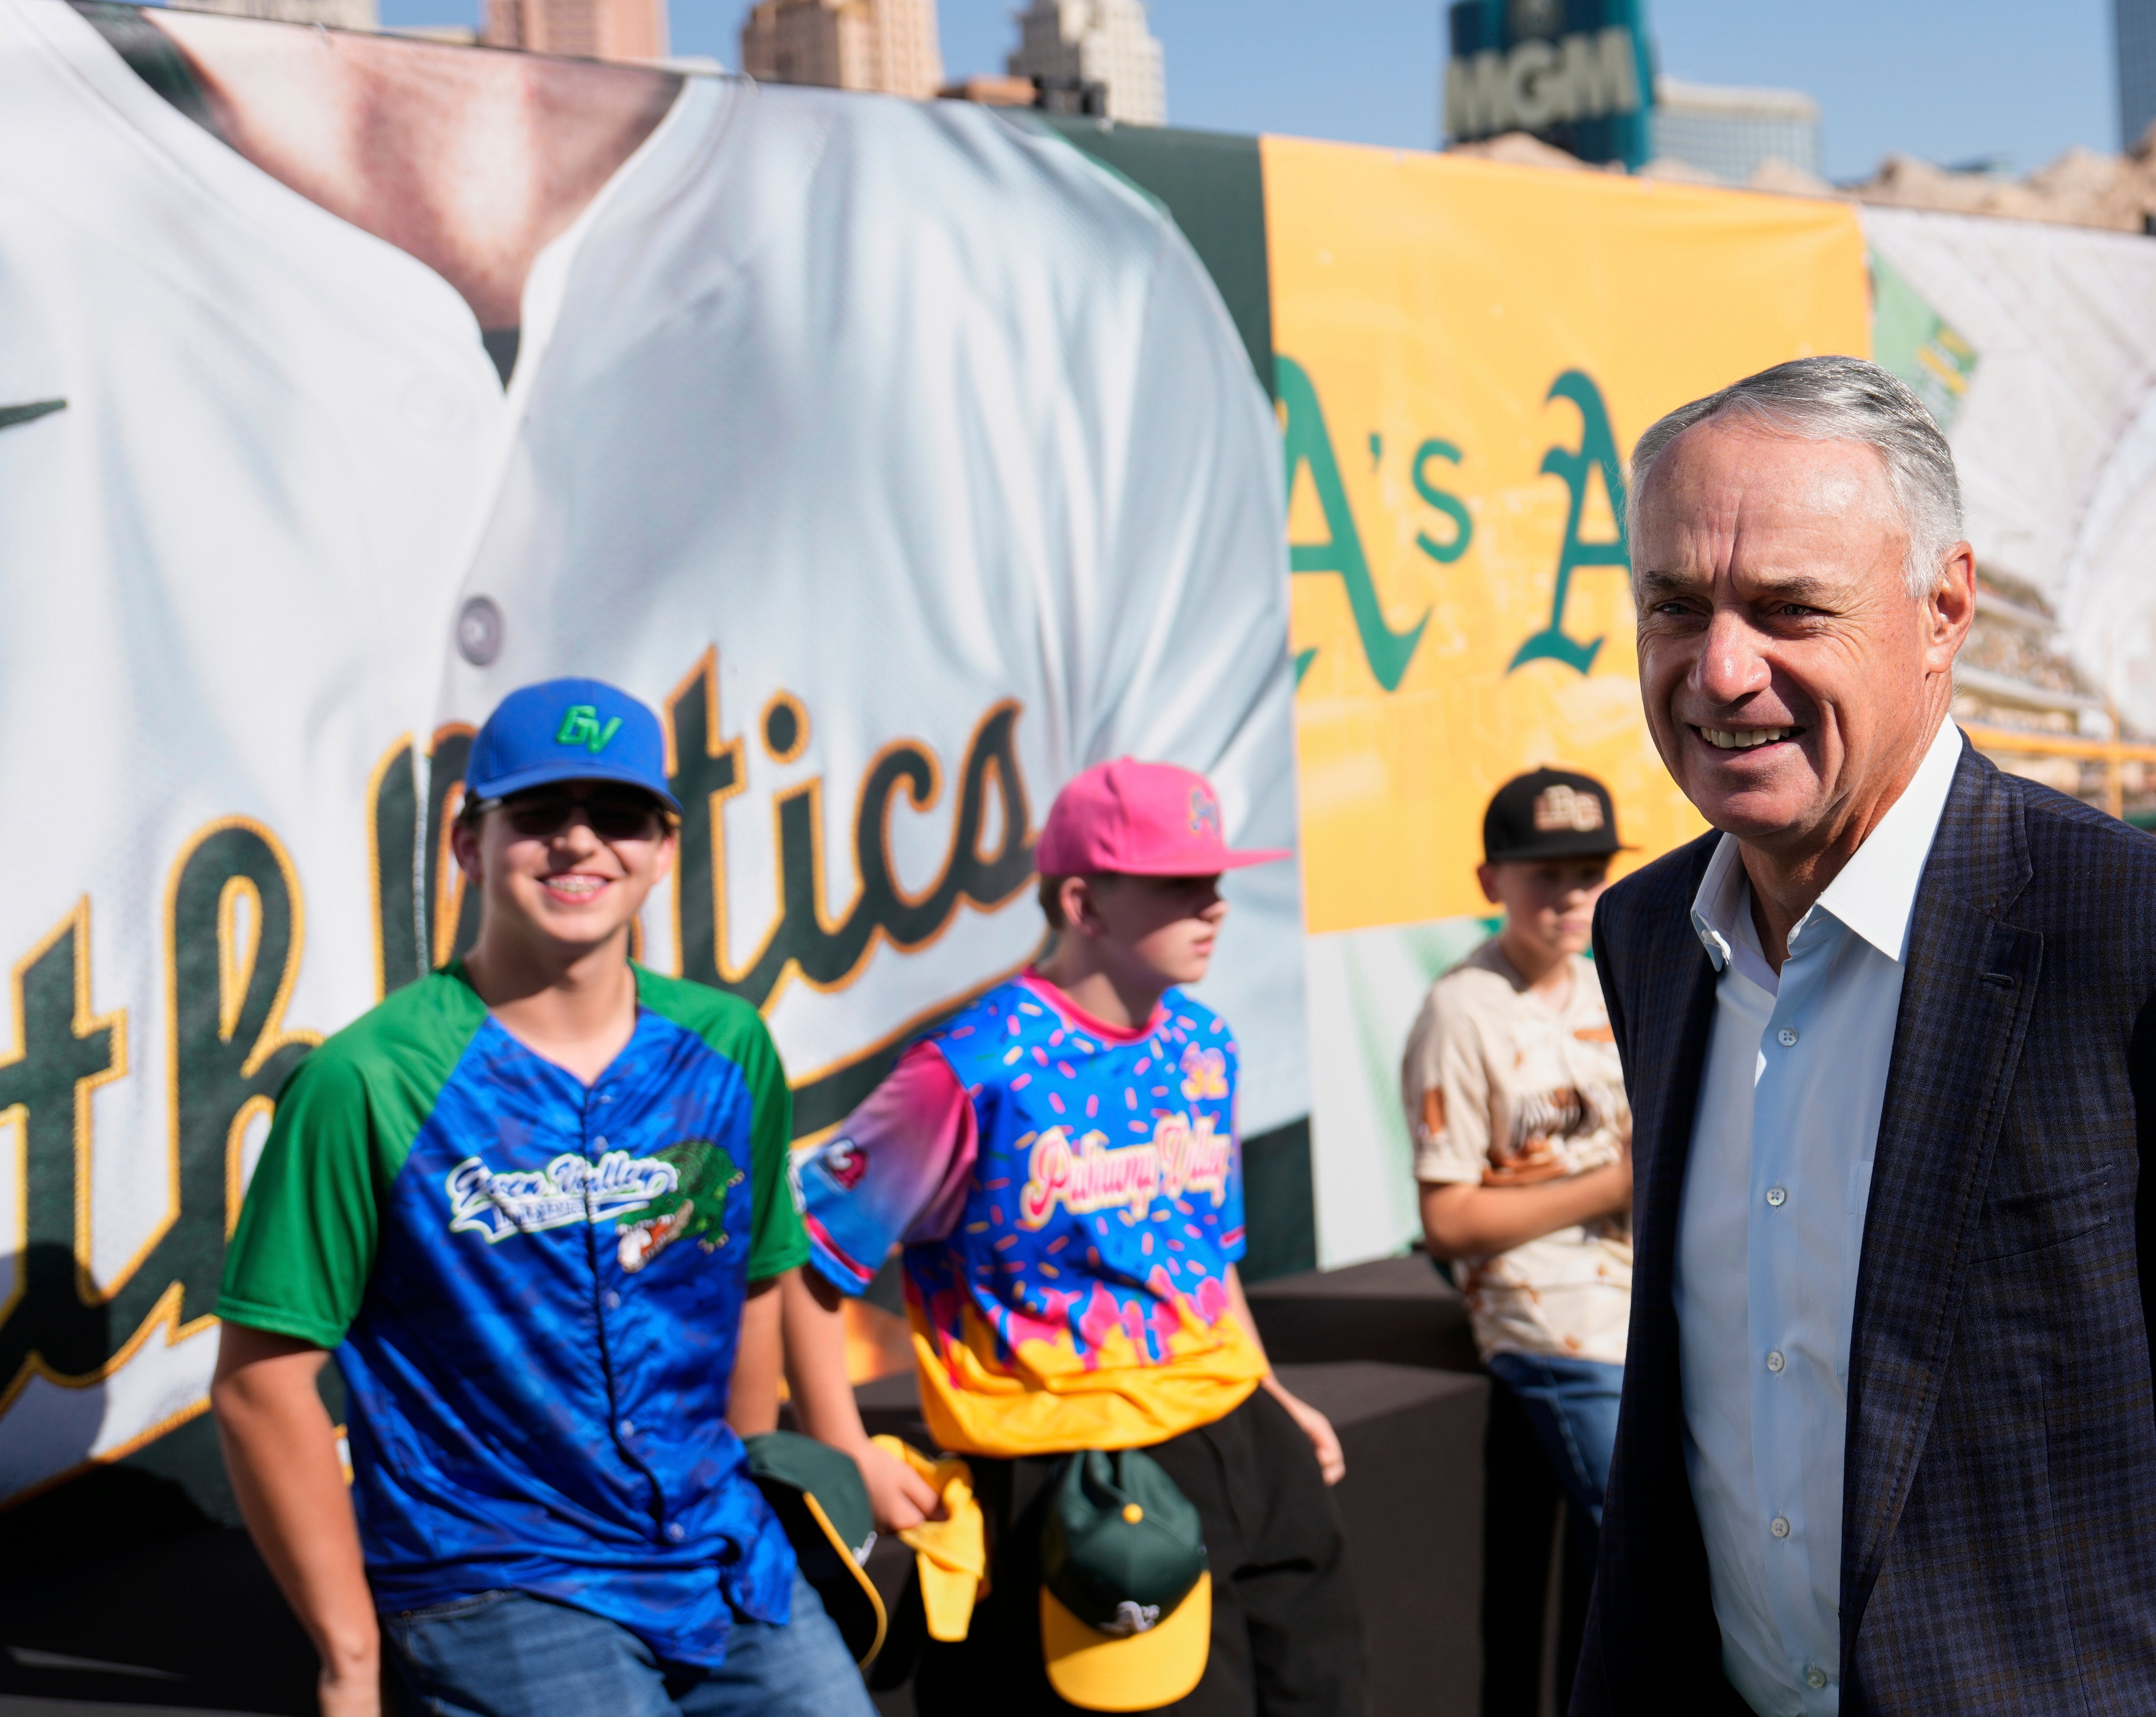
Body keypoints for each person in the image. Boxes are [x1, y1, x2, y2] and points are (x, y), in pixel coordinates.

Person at [1573, 356, 2156, 1717]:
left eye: (1787, 609)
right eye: (1675, 606)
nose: (1719, 669)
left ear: (1941, 609)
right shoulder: (1647, 936)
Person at [212, 678, 874, 1717]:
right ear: (468, 843)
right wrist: (350, 1661)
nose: (578, 843)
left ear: (662, 848)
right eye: (538, 814)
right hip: (500, 1573)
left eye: (615, 816)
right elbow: (263, 1383)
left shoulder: (729, 1045)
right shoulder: (369, 1079)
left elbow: (753, 1281)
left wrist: (760, 1470)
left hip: (719, 1550)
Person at [783, 758, 1366, 1716]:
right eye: (1179, 883)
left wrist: (1267, 1393)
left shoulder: (1203, 1042)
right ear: (1085, 903)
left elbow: (1204, 1259)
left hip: (1243, 1436)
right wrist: (846, 1451)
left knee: (1326, 1691)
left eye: (1215, 880)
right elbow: (806, 1254)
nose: (1213, 904)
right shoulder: (970, 1067)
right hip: (1085, 1463)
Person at [1399, 769, 1635, 1586]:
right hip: (1552, 1318)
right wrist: (1615, 1185)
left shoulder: (1610, 973)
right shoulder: (1461, 1010)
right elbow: (1449, 1223)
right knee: (1647, 1558)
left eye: (1589, 872)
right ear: (1490, 880)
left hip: (1648, 1297)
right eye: (1547, 874)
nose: (1573, 895)